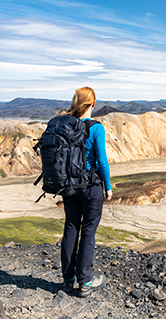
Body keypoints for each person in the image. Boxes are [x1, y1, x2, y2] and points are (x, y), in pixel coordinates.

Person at [58, 86, 112, 297]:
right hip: (91, 187)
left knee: (71, 227)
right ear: (93, 103)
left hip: (69, 187)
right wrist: (108, 187)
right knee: (88, 231)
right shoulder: (96, 128)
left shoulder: (64, 125)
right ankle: (86, 281)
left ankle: (67, 279)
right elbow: (102, 161)